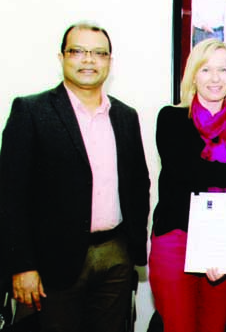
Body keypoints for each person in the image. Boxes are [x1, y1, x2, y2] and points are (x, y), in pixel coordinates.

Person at [0, 22, 150, 332]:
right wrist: (21, 265)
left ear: (109, 61)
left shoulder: (125, 116)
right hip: (50, 262)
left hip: (114, 256)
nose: (88, 60)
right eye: (78, 51)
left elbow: (138, 184)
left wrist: (131, 245)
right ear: (62, 58)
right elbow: (9, 195)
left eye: (99, 53)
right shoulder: (31, 111)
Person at [149, 38, 226, 332]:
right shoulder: (171, 118)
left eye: (223, 69)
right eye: (206, 69)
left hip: (223, 245)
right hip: (175, 240)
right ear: (193, 74)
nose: (215, 78)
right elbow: (185, 173)